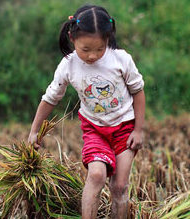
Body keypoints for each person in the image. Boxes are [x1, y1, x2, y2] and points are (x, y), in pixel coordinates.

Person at [28, 4, 145, 219]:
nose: (92, 56)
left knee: (119, 186)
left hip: (124, 128)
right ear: (72, 38)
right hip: (94, 129)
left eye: (99, 49)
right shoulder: (68, 65)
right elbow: (50, 98)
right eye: (85, 50)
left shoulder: (121, 59)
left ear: (108, 38)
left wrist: (138, 130)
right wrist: (34, 130)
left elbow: (138, 92)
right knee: (97, 175)